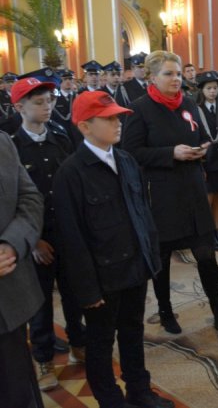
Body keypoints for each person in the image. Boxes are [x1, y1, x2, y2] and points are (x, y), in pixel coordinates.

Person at [53, 91, 174, 408]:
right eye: (108, 118)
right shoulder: (71, 173)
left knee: (133, 331)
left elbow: (142, 213)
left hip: (133, 266)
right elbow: (71, 239)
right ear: (85, 126)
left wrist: (150, 259)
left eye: (118, 116)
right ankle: (110, 400)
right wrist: (88, 290)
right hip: (102, 277)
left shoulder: (126, 160)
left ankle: (139, 390)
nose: (118, 123)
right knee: (101, 341)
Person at [122, 50, 218, 340]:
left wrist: (203, 147)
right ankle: (166, 311)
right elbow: (131, 152)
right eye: (168, 74)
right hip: (162, 194)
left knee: (206, 256)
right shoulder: (140, 109)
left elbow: (199, 135)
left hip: (192, 190)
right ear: (152, 77)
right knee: (163, 258)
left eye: (178, 73)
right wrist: (171, 153)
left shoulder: (188, 103)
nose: (176, 79)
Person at [10, 77, 87, 391]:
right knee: (39, 304)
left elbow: (72, 185)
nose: (47, 107)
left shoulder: (61, 136)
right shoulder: (11, 146)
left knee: (74, 294)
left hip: (66, 231)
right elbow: (14, 200)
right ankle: (43, 358)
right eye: (39, 102)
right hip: (35, 239)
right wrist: (33, 240)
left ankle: (78, 344)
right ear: (19, 107)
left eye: (50, 101)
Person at [0, 129, 45, 408]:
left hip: (10, 301)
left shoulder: (2, 141)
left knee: (19, 391)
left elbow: (29, 198)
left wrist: (12, 244)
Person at [195, 71, 218, 250]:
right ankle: (207, 233)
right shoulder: (197, 109)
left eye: (215, 88)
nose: (212, 91)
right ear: (202, 90)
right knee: (208, 197)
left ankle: (217, 230)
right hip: (206, 158)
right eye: (208, 88)